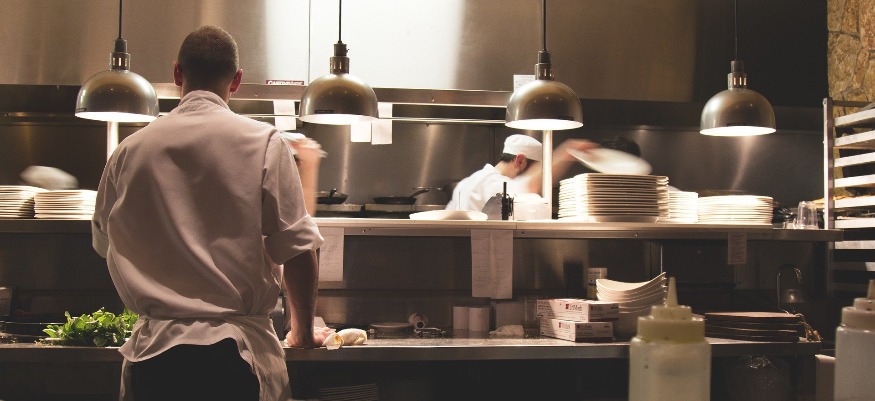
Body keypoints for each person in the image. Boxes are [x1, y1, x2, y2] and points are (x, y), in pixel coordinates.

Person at [91, 25, 330, 401]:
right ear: (236, 80)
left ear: (177, 73)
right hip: (235, 358)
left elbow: (105, 243)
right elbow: (298, 248)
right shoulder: (265, 143)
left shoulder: (129, 150)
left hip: (153, 360)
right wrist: (301, 333)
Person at [446, 134, 597, 212]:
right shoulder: (492, 183)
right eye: (537, 170)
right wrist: (567, 152)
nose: (538, 175)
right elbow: (528, 185)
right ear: (520, 161)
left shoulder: (465, 183)